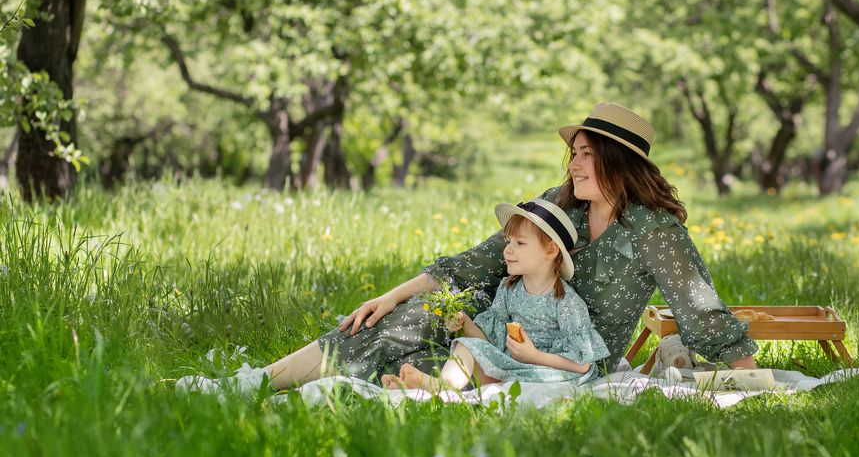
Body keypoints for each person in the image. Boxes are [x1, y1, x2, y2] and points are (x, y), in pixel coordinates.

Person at [177, 102, 757, 397]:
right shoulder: (559, 205)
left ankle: (271, 386)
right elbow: (473, 263)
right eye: (574, 152)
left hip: (570, 357)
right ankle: (249, 384)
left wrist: (750, 376)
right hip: (503, 327)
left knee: (420, 352)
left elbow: (700, 311)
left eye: (586, 153)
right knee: (403, 319)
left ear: (617, 161)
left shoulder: (654, 229)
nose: (575, 163)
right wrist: (390, 294)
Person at [381, 199, 609, 392]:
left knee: (524, 385)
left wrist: (532, 355)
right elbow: (490, 341)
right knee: (467, 344)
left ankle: (437, 388)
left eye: (519, 243)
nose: (507, 250)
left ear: (550, 251)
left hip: (548, 374)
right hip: (510, 368)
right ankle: (442, 386)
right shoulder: (509, 289)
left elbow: (581, 365)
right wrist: (465, 324)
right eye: (509, 241)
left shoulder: (567, 303)